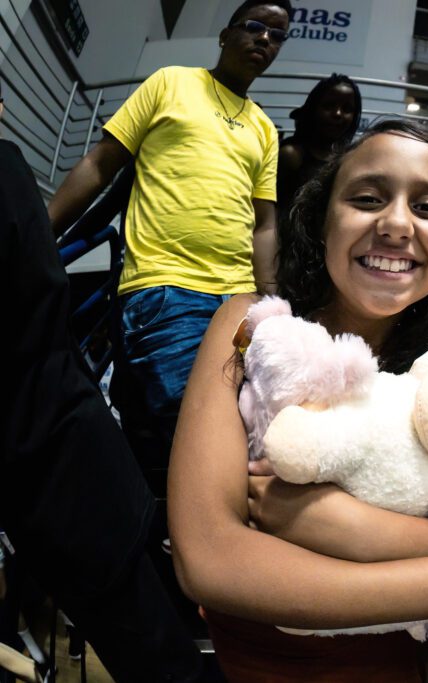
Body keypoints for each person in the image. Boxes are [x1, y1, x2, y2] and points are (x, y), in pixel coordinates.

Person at [168, 120, 428, 680]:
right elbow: (207, 559)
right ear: (320, 218)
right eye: (367, 198)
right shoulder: (251, 328)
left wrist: (345, 525)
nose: (396, 224)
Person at [0, 97, 202, 680]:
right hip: (65, 451)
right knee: (155, 643)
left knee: (153, 646)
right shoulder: (6, 168)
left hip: (55, 464)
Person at [46, 0, 290, 450]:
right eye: (256, 26)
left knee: (246, 427)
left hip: (238, 299)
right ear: (225, 34)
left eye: (278, 35)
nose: (265, 40)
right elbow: (101, 164)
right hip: (167, 284)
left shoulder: (264, 129)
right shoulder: (171, 82)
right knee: (196, 434)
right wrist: (42, 233)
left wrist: (270, 298)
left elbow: (264, 224)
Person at [278, 73, 362, 222]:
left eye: (347, 109)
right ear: (313, 108)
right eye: (329, 106)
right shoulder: (291, 155)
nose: (338, 114)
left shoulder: (349, 158)